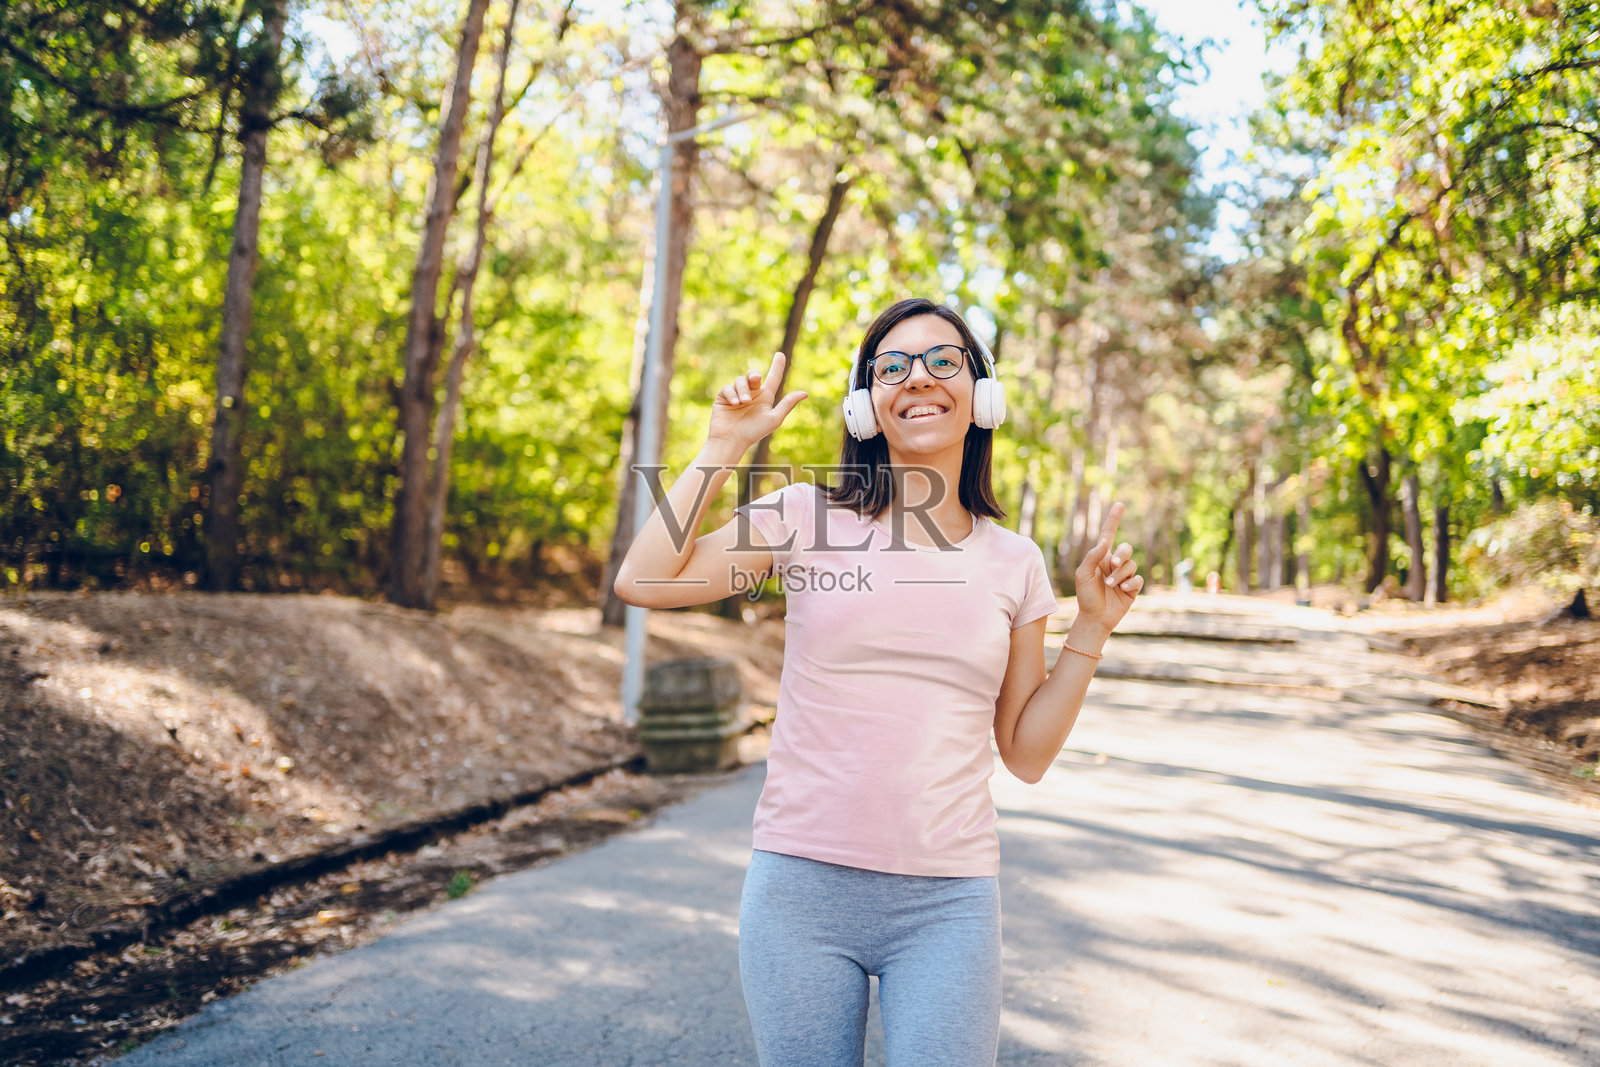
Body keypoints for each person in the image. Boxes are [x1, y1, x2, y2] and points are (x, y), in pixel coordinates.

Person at [614, 297, 1142, 1066]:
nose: (916, 378)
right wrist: (722, 446)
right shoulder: (805, 516)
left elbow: (1025, 754)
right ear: (866, 405)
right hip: (800, 892)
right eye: (891, 366)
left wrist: (1091, 627)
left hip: (948, 902)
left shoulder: (1015, 561)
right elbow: (645, 578)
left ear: (981, 393)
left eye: (942, 360)